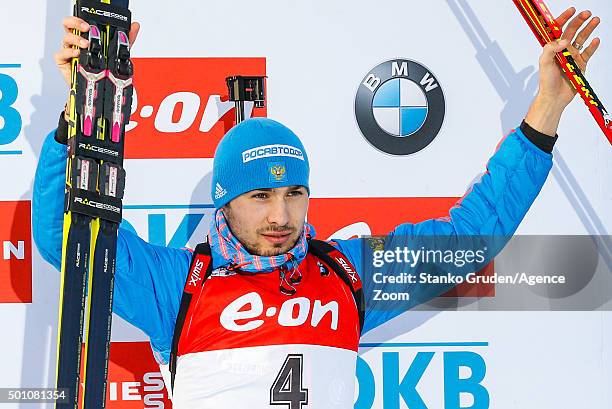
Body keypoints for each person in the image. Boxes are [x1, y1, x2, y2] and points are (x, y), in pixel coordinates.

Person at [34, 7, 602, 408]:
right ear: (224, 203)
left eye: (294, 194)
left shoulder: (347, 274)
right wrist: (78, 115)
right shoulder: (178, 285)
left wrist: (547, 108)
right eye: (259, 197)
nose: (280, 215)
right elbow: (63, 235)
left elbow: (472, 236)